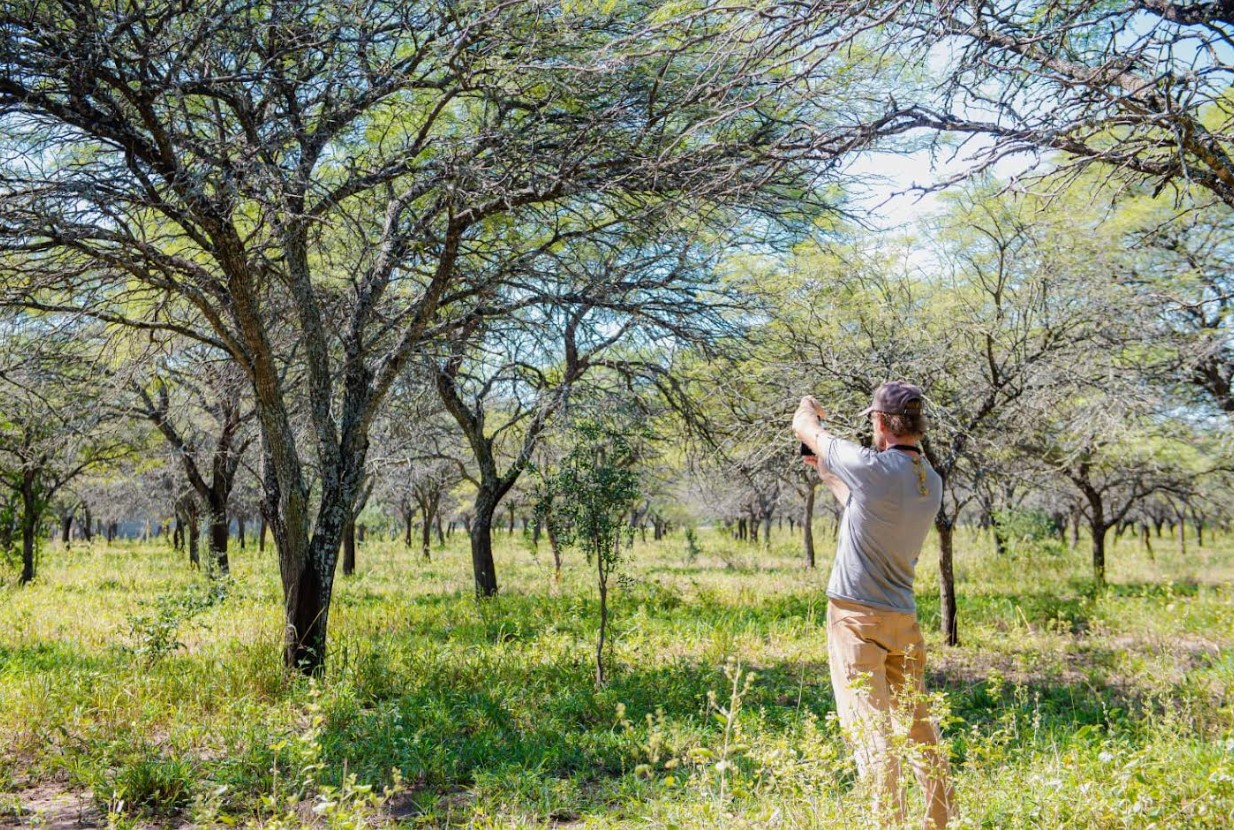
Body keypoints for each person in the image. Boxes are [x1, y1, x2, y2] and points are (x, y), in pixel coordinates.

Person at [792, 381, 955, 830]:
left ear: (881, 422)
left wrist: (809, 409)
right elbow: (863, 507)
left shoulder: (870, 465)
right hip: (902, 619)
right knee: (919, 726)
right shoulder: (930, 481)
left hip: (855, 619)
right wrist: (828, 475)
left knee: (871, 734)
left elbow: (803, 426)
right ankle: (938, 820)